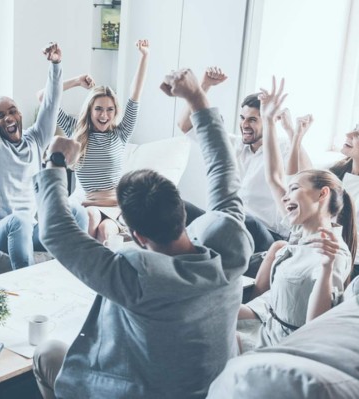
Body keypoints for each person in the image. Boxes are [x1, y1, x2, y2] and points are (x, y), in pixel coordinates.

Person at [32, 68, 253, 398]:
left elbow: (56, 232)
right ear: (182, 210)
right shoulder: (230, 249)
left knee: (47, 352)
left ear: (135, 235)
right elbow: (224, 170)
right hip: (213, 386)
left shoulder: (136, 277)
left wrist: (55, 161)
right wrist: (196, 96)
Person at [238, 77, 355, 350]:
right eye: (287, 192)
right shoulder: (303, 232)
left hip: (286, 346)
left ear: (321, 194)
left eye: (295, 190)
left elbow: (316, 328)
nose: (286, 196)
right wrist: (267, 121)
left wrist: (326, 269)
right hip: (266, 326)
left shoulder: (333, 253)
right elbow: (273, 177)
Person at [0, 42, 87, 269]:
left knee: (77, 212)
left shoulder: (34, 139)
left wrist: (55, 65)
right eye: (0, 115)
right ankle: (26, 286)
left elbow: (51, 105)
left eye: (12, 110)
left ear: (20, 113)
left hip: (31, 227)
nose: (9, 117)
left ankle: (78, 274)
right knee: (20, 220)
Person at [178, 67, 312, 252]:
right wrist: (204, 85)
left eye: (252, 120)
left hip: (266, 234)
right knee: (179, 208)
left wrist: (292, 133)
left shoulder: (284, 147)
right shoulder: (233, 144)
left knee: (242, 220)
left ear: (267, 119)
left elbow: (308, 175)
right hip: (226, 223)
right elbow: (185, 125)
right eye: (242, 118)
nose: (244, 125)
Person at [37, 39, 149, 242]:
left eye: (109, 109)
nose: (104, 115)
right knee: (90, 218)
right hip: (89, 205)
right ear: (89, 110)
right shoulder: (75, 131)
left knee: (106, 231)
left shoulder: (121, 133)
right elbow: (43, 97)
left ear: (115, 112)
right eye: (98, 109)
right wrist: (77, 81)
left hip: (117, 206)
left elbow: (135, 96)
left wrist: (144, 56)